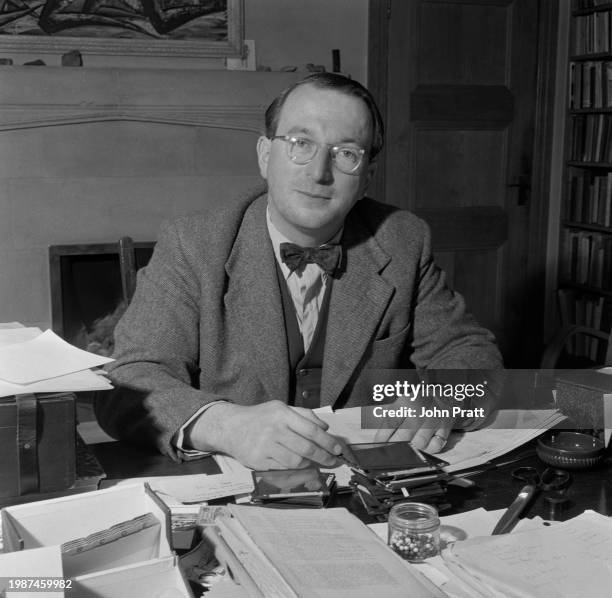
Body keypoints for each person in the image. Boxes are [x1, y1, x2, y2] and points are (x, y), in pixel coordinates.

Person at [95, 73, 503, 471]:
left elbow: (473, 356)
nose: (319, 172)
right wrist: (224, 425)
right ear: (265, 156)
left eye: (346, 153)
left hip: (366, 488)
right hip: (237, 493)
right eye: (300, 143)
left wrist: (438, 398)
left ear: (366, 180)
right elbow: (128, 382)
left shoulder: (403, 240)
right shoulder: (194, 244)